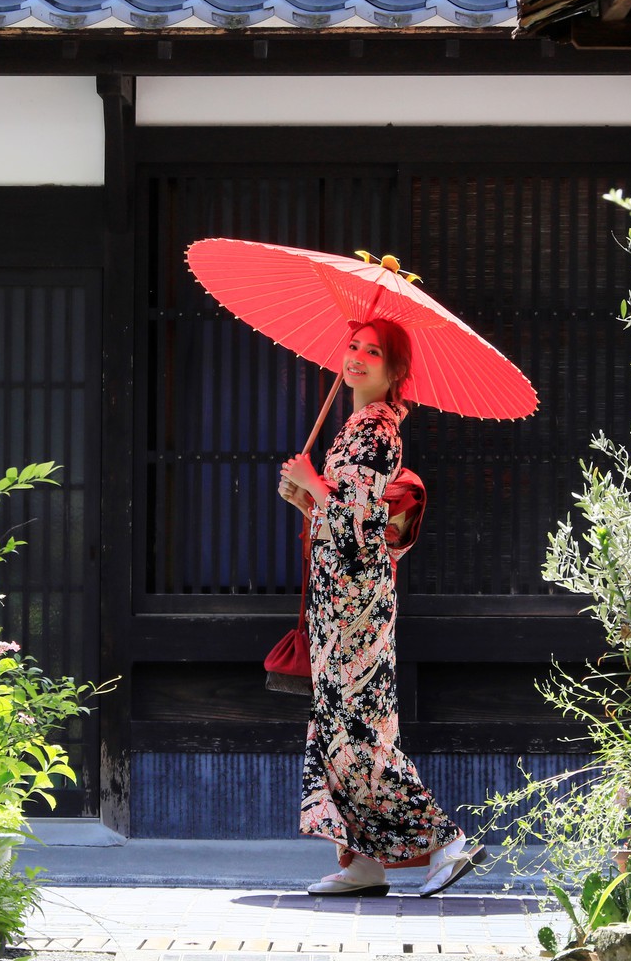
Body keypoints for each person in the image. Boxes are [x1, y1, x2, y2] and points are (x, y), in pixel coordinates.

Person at [277, 317, 485, 898]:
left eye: (375, 351)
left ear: (395, 373)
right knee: (342, 728)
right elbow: (343, 522)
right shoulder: (358, 427)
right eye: (353, 345)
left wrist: (315, 486)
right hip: (341, 597)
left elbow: (363, 524)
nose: (358, 357)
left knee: (359, 731)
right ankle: (365, 861)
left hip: (355, 606)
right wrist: (307, 500)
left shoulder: (374, 431)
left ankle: (443, 842)